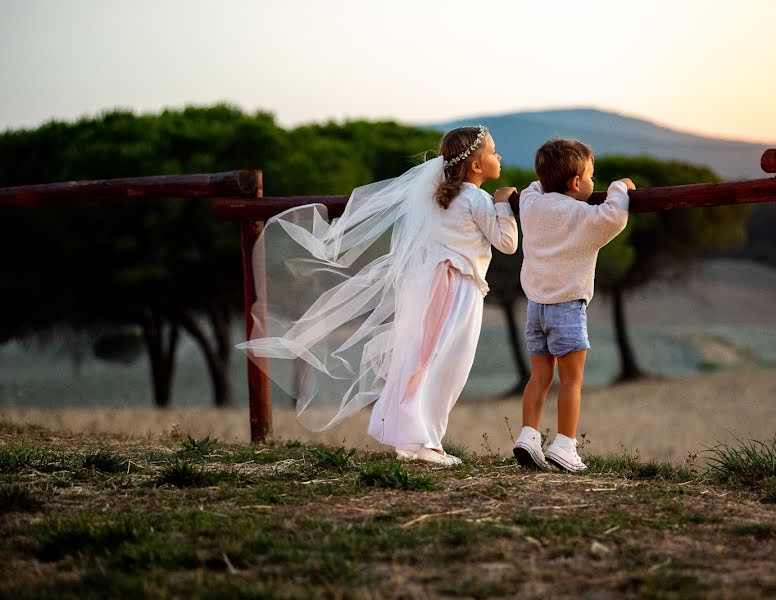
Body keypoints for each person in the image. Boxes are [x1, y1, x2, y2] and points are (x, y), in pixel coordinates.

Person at [238, 126, 517, 467]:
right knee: (445, 364)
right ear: (476, 166)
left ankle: (415, 435)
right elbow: (507, 243)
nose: (499, 157)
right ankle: (425, 440)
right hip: (456, 289)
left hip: (431, 283)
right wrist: (503, 205)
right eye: (493, 152)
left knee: (422, 358)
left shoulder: (438, 196)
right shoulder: (478, 199)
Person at [512, 138, 634, 472]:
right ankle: (565, 445)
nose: (594, 183)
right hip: (568, 309)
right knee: (571, 381)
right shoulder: (585, 218)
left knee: (539, 377)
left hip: (535, 307)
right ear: (577, 183)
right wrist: (619, 186)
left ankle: (528, 436)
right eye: (591, 176)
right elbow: (615, 217)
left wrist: (548, 176)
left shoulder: (531, 206)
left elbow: (531, 189)